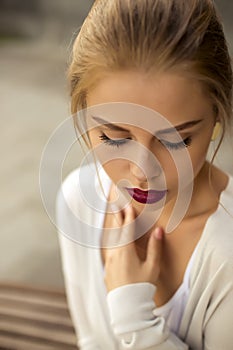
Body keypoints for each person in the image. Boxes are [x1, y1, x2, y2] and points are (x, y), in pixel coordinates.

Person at [56, 0, 233, 349]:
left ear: (216, 116)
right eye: (115, 138)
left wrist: (133, 318)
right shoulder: (78, 197)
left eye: (177, 139)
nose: (142, 171)